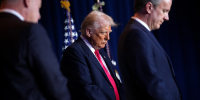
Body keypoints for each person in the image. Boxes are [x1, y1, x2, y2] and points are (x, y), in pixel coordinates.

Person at [0, 0, 71, 100]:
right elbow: (55, 85)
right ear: (27, 2)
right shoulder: (30, 31)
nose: (39, 16)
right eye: (38, 8)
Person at [118, 0, 182, 100]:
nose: (167, 18)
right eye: (164, 11)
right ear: (149, 7)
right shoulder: (136, 35)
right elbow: (151, 83)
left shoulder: (141, 33)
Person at [61, 11, 125, 100]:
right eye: (103, 32)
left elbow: (115, 82)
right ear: (89, 32)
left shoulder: (100, 50)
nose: (108, 37)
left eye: (109, 32)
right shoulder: (74, 52)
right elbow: (86, 89)